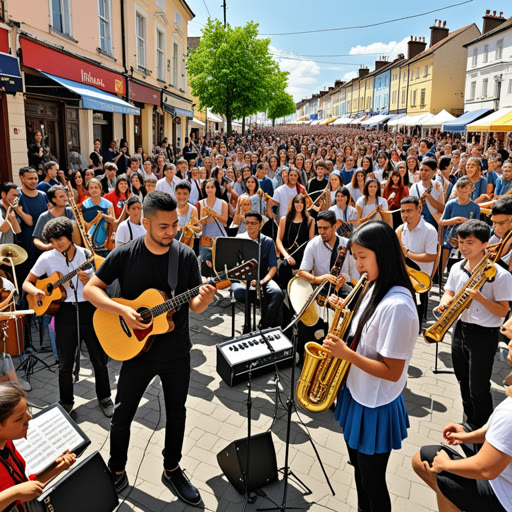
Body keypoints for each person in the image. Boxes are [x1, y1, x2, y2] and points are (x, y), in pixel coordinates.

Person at [83, 191, 216, 504]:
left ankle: (172, 468)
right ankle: (116, 469)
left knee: (177, 413)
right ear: (145, 223)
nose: (172, 232)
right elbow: (91, 289)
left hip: (176, 353)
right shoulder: (125, 253)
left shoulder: (184, 256)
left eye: (175, 225)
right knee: (122, 414)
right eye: (164, 227)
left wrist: (204, 299)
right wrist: (124, 311)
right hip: (136, 353)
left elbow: (194, 305)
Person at [322, 220, 418, 512]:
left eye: (363, 257)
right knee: (359, 471)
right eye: (355, 257)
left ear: (383, 254)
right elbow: (366, 334)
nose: (357, 264)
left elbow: (392, 371)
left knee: (373, 481)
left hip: (375, 404)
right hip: (357, 393)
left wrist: (345, 354)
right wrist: (345, 313)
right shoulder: (374, 286)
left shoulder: (398, 306)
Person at [23, 217, 113, 416]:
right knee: (65, 362)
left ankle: (105, 397)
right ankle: (66, 402)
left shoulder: (86, 255)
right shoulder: (46, 258)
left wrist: (89, 280)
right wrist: (37, 292)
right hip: (63, 311)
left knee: (98, 358)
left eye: (59, 239)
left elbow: (104, 284)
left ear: (69, 236)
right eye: (52, 241)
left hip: (89, 308)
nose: (56, 244)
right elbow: (27, 283)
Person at [412, 340, 512, 511]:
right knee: (428, 462)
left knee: (438, 473)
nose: (505, 327)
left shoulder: (509, 414)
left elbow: (486, 469)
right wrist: (467, 436)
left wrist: (445, 464)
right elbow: (498, 432)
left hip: (504, 495)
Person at [435, 219, 512, 428]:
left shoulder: (500, 274)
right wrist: (445, 301)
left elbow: (503, 310)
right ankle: (469, 423)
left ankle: (484, 430)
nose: (464, 247)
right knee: (462, 380)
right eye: (460, 242)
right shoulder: (456, 268)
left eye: (470, 242)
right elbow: (449, 291)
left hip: (484, 334)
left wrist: (480, 299)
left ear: (485, 244)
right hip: (460, 329)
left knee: (478, 386)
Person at [0, 383, 77, 511]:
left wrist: (57, 467)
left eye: (27, 409)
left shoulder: (7, 442)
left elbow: (24, 486)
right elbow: (18, 491)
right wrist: (14, 493)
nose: (29, 418)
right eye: (19, 418)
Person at [231, 210, 283, 329]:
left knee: (277, 293)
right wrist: (243, 280)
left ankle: (264, 325)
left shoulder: (268, 241)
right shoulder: (239, 239)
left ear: (261, 224)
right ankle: (247, 327)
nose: (249, 225)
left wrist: (262, 282)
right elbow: (233, 265)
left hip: (262, 278)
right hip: (241, 280)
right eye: (247, 223)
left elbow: (273, 267)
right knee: (247, 292)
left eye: (253, 223)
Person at [398, 196, 438, 324]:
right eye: (402, 211)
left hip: (420, 283)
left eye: (409, 211)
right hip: (404, 281)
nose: (405, 214)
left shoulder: (430, 230)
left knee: (416, 323)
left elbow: (431, 257)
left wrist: (407, 253)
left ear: (419, 209)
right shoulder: (400, 229)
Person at [276, 194, 315, 290]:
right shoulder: (284, 220)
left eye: (302, 202)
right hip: (288, 255)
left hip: (304, 257)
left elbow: (311, 243)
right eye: (297, 202)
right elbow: (278, 240)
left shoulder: (310, 221)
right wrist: (286, 256)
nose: (299, 204)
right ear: (293, 204)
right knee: (284, 270)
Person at [32, 185, 74, 252]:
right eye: (61, 196)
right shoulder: (44, 216)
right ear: (53, 199)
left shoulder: (72, 212)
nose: (66, 199)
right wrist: (47, 247)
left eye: (65, 195)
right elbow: (36, 239)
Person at [81, 179, 114, 256]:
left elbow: (112, 224)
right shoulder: (84, 205)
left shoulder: (108, 205)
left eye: (96, 187)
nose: (94, 190)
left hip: (104, 244)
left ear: (100, 189)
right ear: (88, 190)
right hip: (88, 244)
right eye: (91, 188)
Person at [409, 157, 444, 229]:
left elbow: (442, 209)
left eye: (426, 170)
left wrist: (429, 198)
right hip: (419, 224)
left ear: (434, 172)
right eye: (421, 170)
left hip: (434, 223)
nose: (423, 173)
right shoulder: (414, 187)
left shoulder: (437, 187)